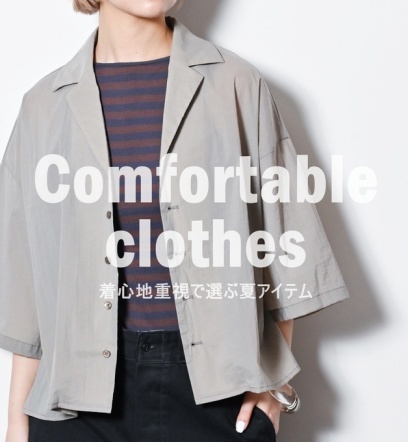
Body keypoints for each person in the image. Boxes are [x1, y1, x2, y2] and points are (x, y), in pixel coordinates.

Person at [0, 1, 350, 441]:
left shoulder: (236, 84)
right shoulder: (43, 107)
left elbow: (285, 251)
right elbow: (28, 289)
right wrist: (17, 419)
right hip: (76, 401)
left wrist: (271, 389)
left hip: (215, 394)